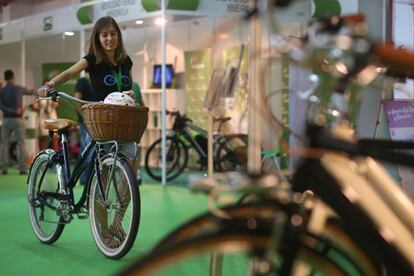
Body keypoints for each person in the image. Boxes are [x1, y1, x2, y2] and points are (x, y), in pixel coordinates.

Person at [37, 16, 138, 246]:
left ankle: (117, 223)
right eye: (104, 35)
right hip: (99, 123)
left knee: (127, 181)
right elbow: (70, 73)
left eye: (113, 34)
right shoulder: (93, 60)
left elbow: (129, 88)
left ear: (118, 36)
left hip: (121, 125)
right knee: (102, 179)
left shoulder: (126, 61)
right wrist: (50, 85)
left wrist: (130, 94)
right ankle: (104, 232)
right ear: (98, 37)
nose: (109, 38)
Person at [0, 69, 28, 175]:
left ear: (5, 78)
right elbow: (30, 91)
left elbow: (1, 106)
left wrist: (11, 111)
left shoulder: (2, 91)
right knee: (21, 143)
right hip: (18, 119)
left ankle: (4, 167)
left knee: (4, 143)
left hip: (6, 119)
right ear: (13, 77)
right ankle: (22, 168)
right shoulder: (18, 88)